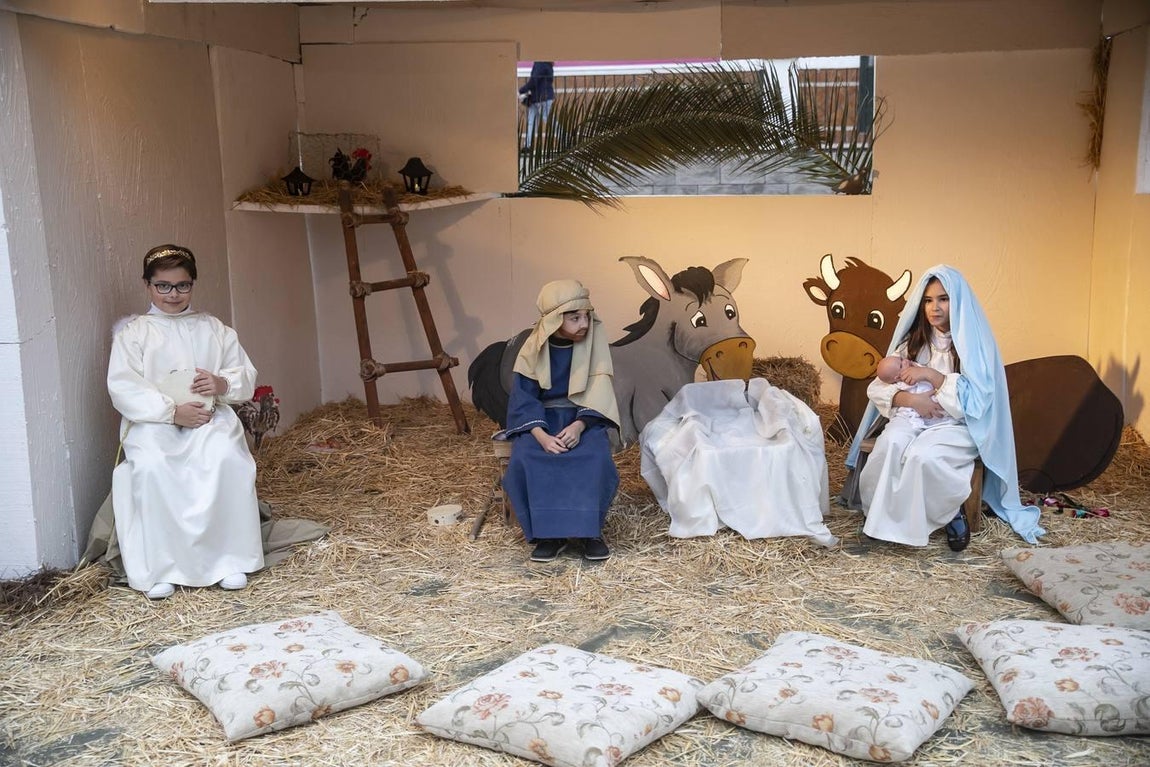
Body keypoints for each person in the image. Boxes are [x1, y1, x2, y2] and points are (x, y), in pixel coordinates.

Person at [845, 265, 1043, 551]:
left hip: (956, 425)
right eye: (928, 300)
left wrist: (932, 377)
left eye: (943, 299)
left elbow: (978, 401)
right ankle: (882, 520)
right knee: (890, 444)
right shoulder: (912, 342)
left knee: (922, 457)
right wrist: (911, 400)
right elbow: (878, 386)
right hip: (910, 416)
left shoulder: (975, 346)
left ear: (958, 301)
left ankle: (950, 513)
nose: (934, 308)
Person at [107, 244, 264, 599]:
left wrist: (222, 384)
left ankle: (228, 560)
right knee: (153, 466)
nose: (173, 294)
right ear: (147, 285)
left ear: (193, 284)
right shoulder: (134, 334)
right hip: (154, 423)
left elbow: (244, 374)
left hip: (208, 417)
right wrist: (171, 412)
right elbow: (123, 387)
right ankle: (162, 567)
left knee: (224, 457)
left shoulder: (214, 329)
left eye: (182, 285)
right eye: (163, 285)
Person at [502, 280, 620, 562]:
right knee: (527, 457)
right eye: (574, 317)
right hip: (540, 421)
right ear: (555, 319)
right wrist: (541, 436)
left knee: (594, 456)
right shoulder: (532, 350)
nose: (584, 324)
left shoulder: (593, 348)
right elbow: (524, 397)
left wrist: (580, 427)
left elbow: (598, 392)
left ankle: (589, 532)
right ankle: (548, 536)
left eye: (587, 317)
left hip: (582, 418)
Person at [873, 355, 955, 429]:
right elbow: (875, 390)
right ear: (897, 377)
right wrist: (912, 400)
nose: (905, 361)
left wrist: (923, 371)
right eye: (901, 365)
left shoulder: (915, 366)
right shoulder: (901, 385)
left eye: (901, 359)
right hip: (918, 414)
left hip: (944, 403)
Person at [518, 60, 555, 151]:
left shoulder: (540, 63)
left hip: (542, 98)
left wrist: (522, 90)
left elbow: (534, 80)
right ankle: (528, 145)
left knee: (548, 120)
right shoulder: (546, 64)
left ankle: (566, 140)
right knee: (532, 121)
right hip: (538, 97)